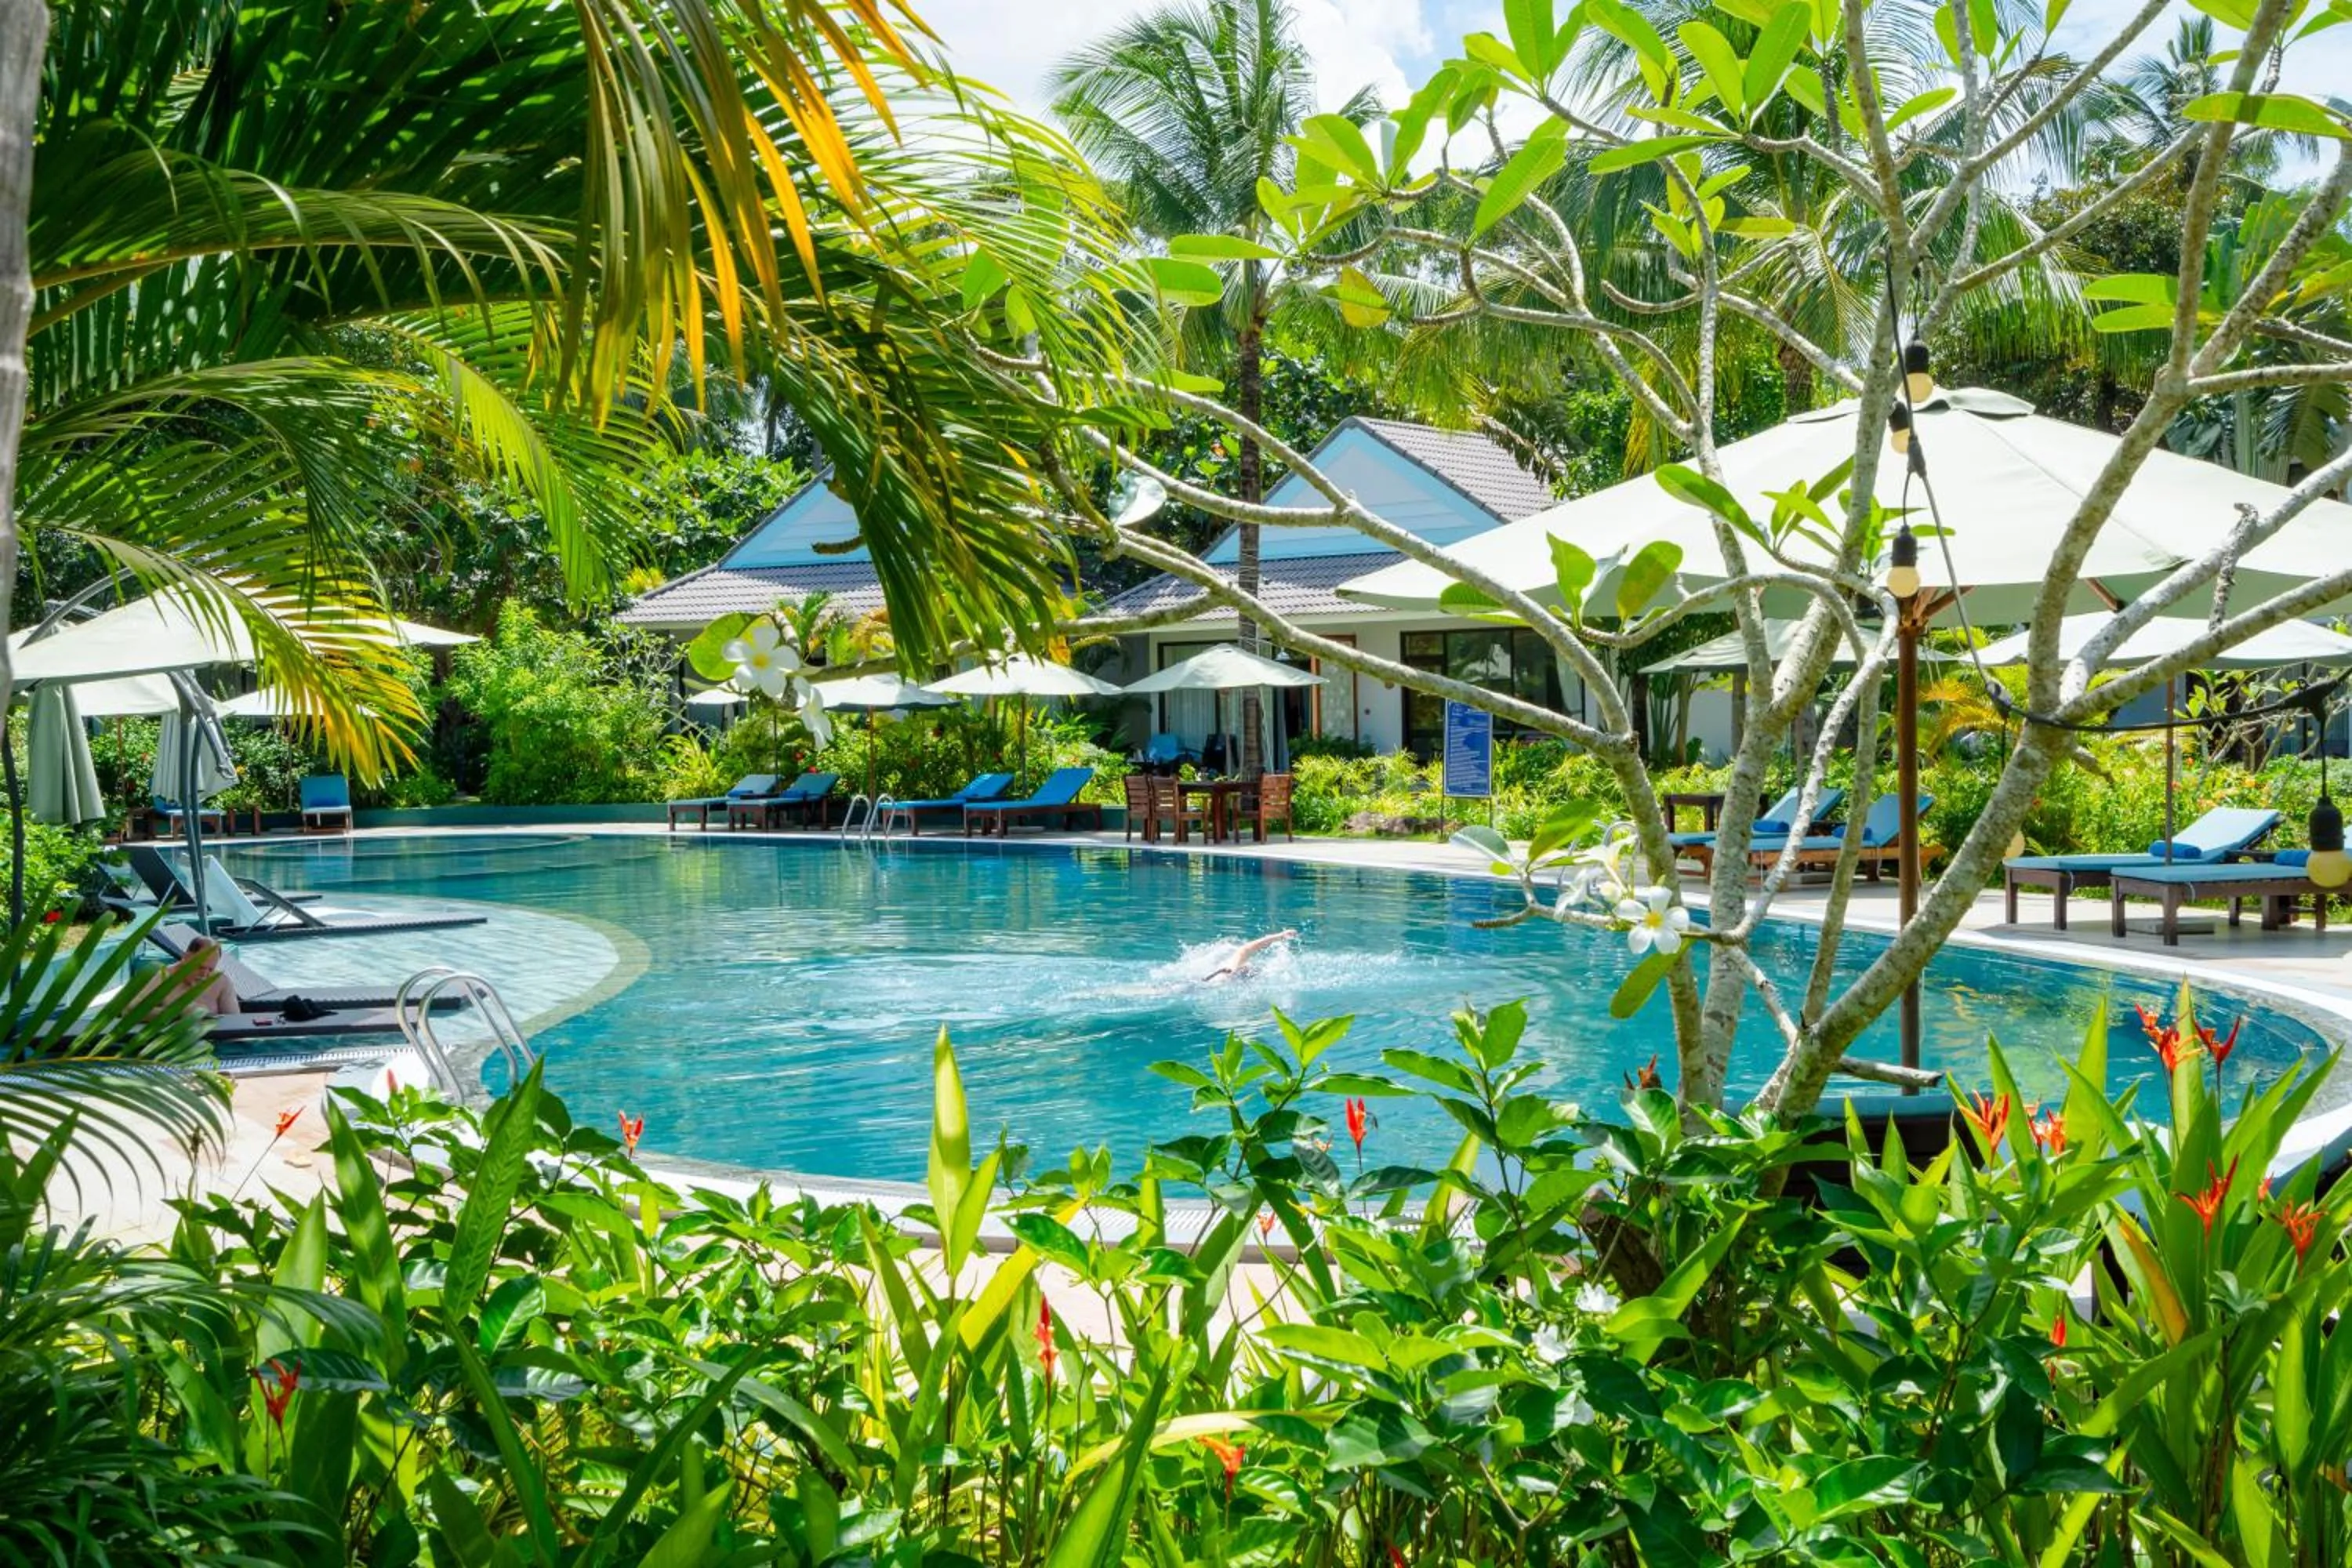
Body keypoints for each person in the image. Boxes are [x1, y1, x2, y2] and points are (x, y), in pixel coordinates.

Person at [1203, 929, 1298, 983]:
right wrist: (1279, 936)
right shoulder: (1231, 969)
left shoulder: (1232, 969)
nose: (1249, 967)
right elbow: (1245, 949)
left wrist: (1279, 936)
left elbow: (1246, 949)